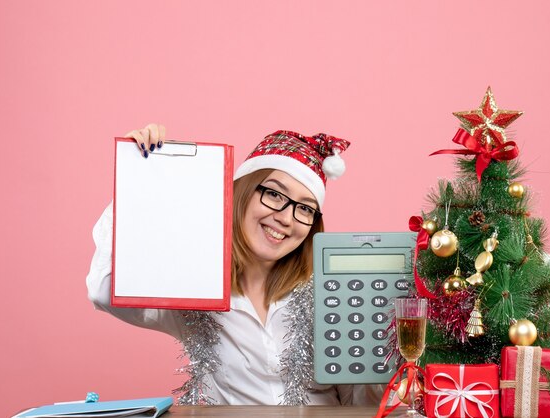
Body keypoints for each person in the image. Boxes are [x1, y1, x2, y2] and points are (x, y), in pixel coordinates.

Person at [86, 124, 380, 406]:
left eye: (304, 208)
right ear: (241, 193)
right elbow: (105, 289)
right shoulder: (197, 287)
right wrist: (138, 177)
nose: (286, 218)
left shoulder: (330, 295)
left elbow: (362, 401)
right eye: (274, 194)